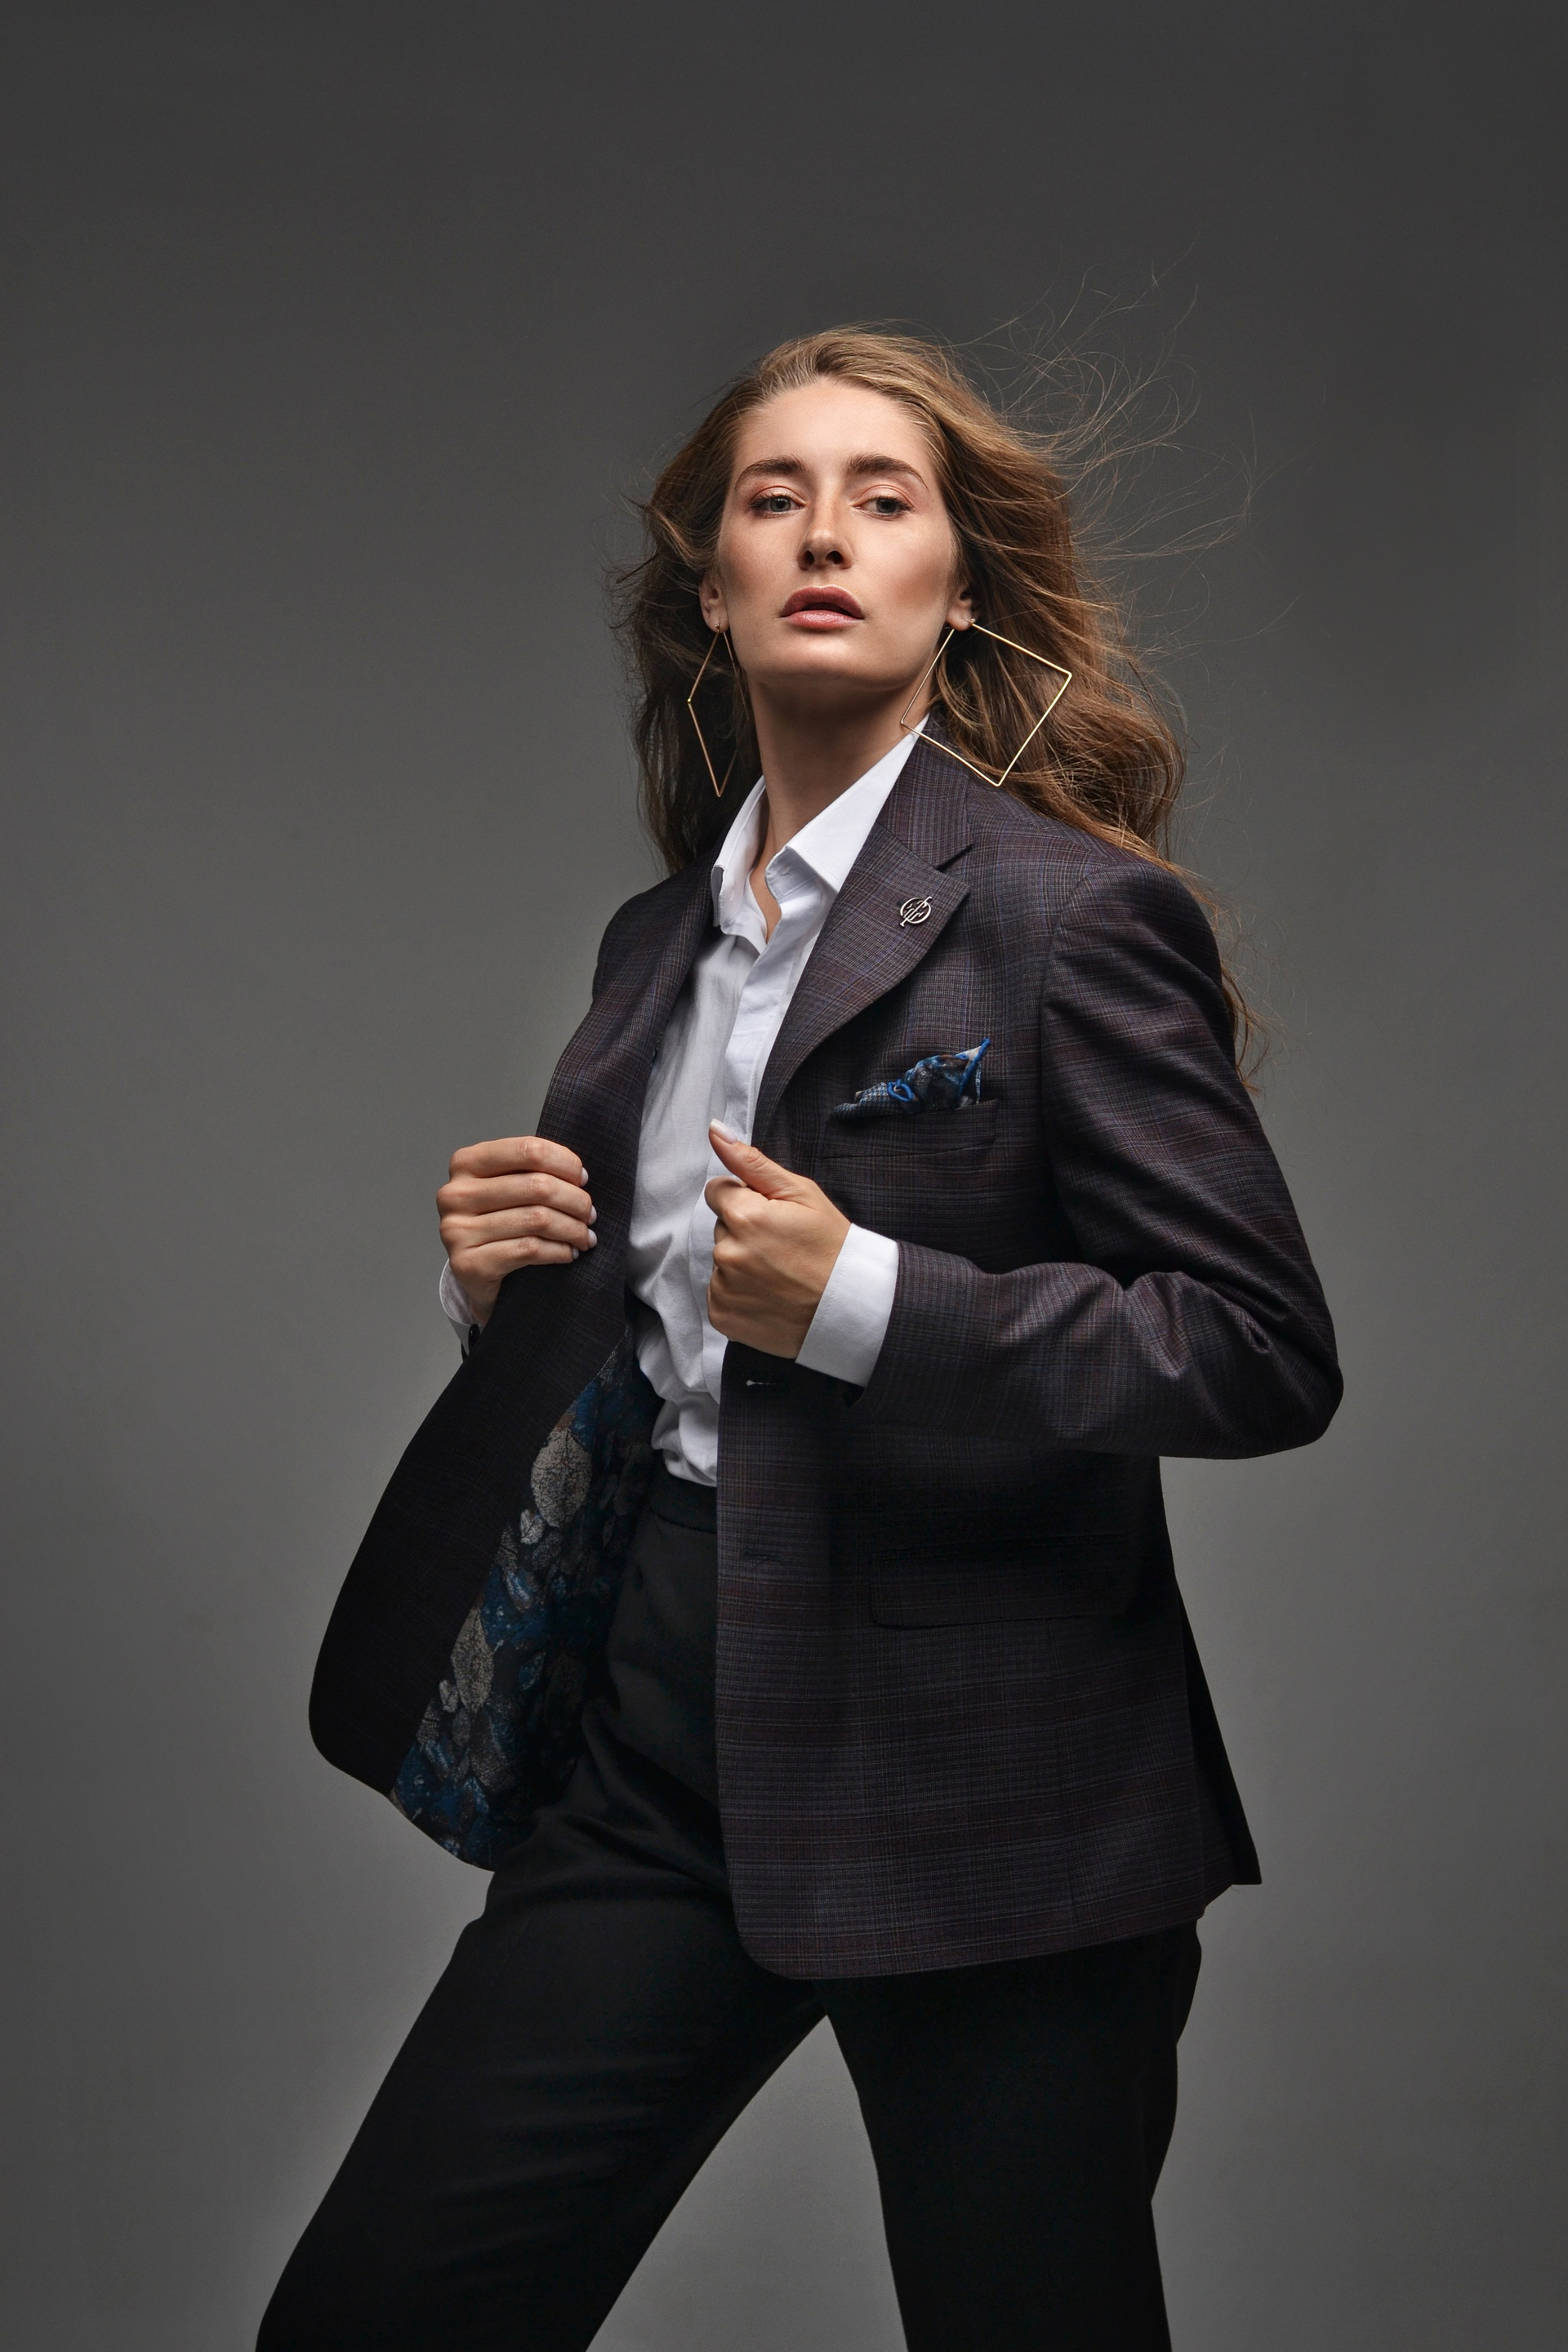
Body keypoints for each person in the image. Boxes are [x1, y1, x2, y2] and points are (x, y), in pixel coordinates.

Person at [261, 329, 1341, 2350]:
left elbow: (1259, 1345)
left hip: (996, 1775)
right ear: (716, 589)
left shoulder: (1071, 918)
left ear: (960, 586)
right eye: (776, 499)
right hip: (663, 1735)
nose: (825, 534)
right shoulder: (652, 945)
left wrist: (867, 1300)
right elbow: (662, 1329)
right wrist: (503, 1287)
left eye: (882, 498)